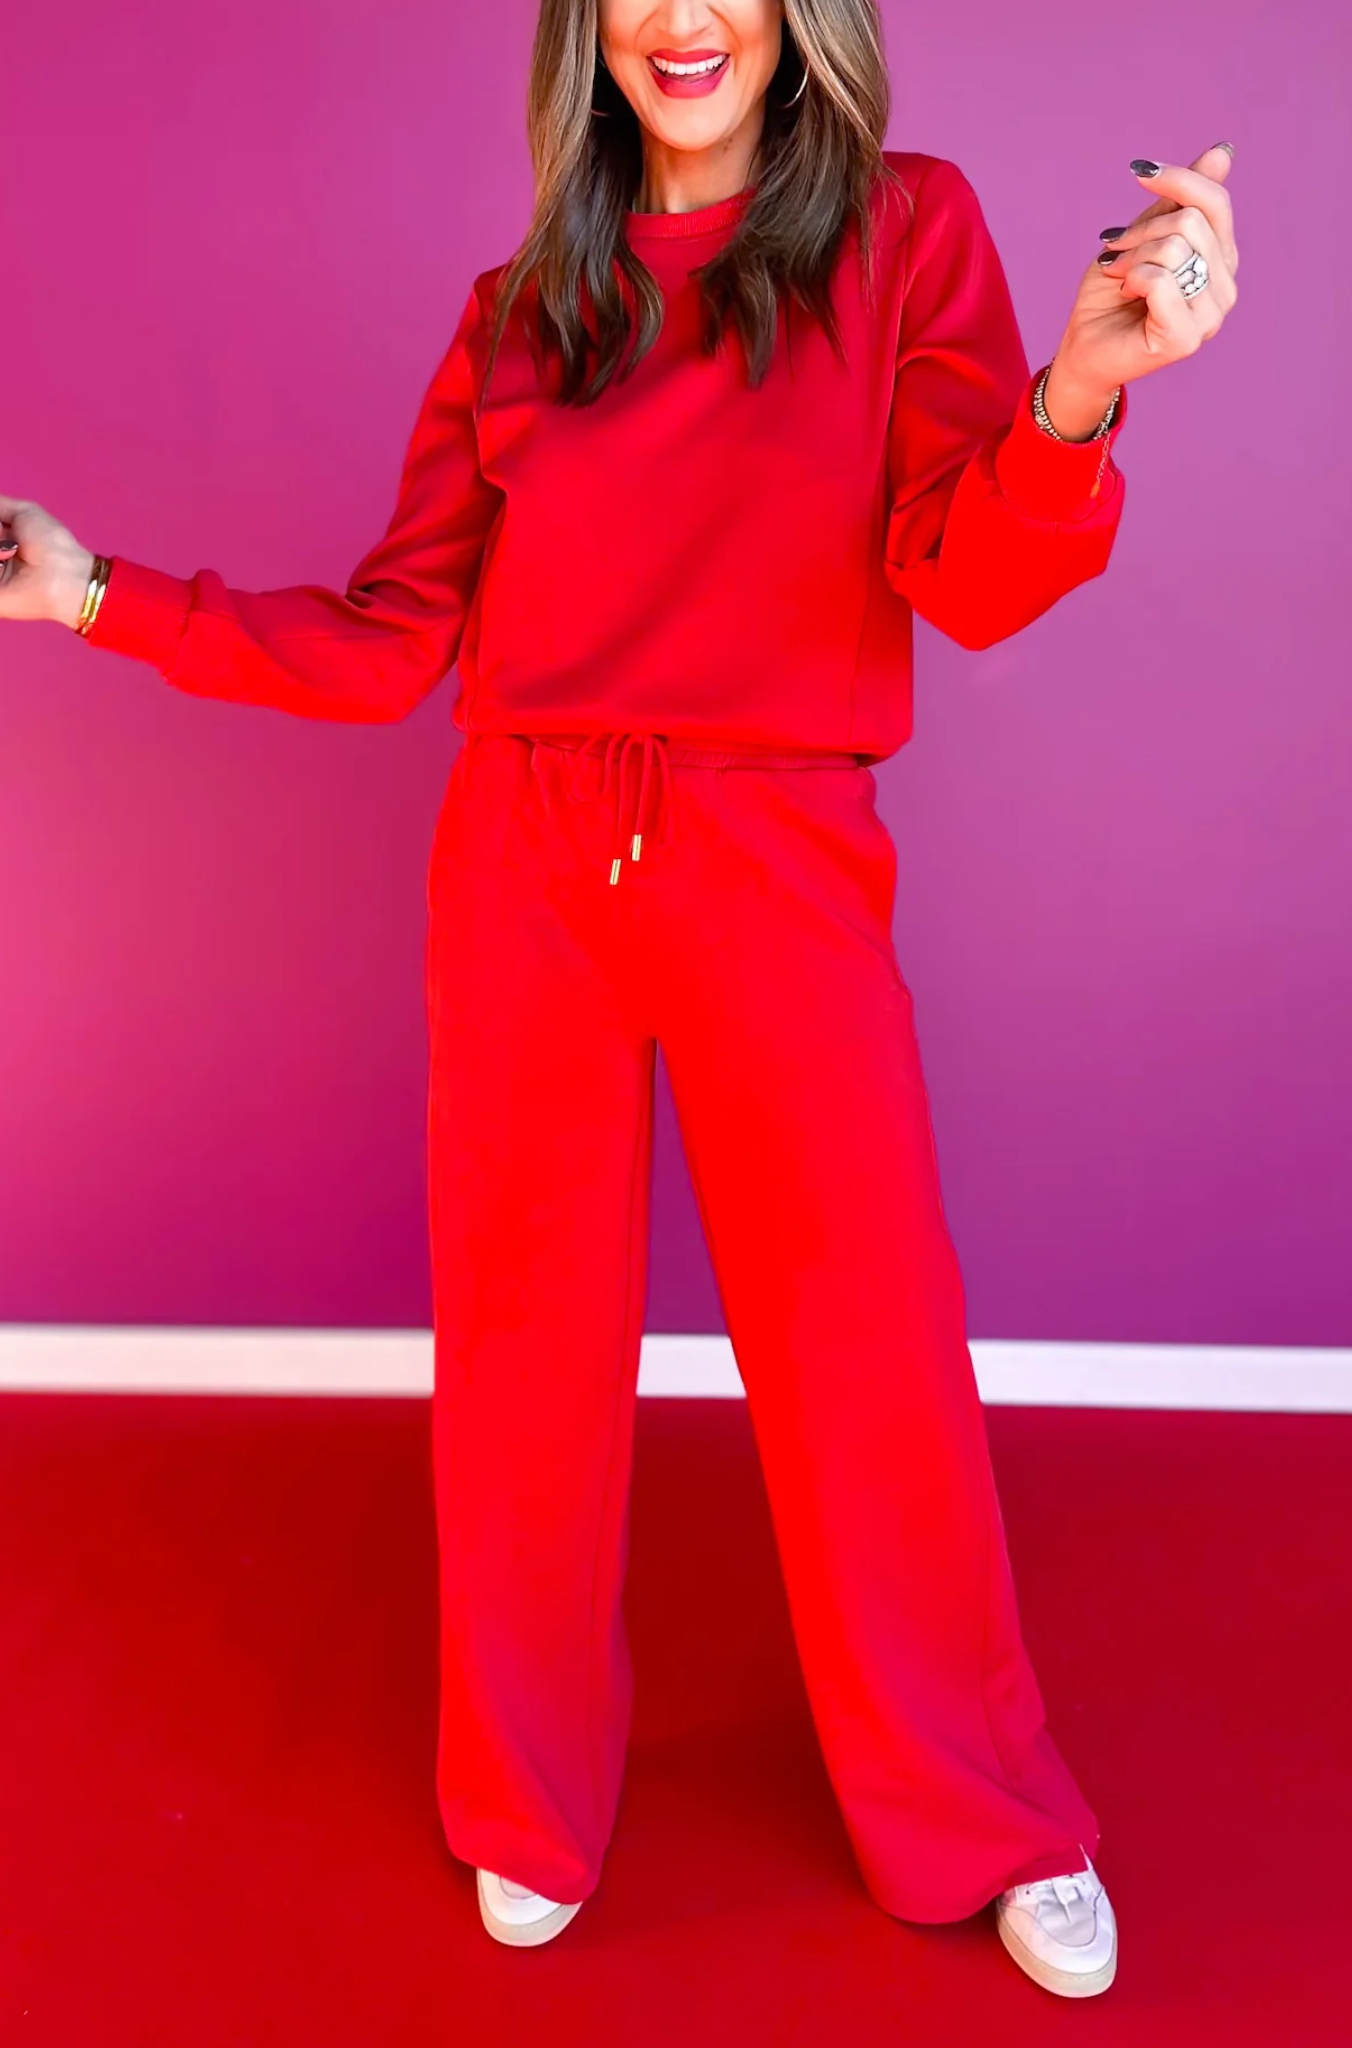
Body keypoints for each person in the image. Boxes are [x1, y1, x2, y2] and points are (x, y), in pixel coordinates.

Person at [0, 0, 1239, 2002]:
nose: (682, 17)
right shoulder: (521, 311)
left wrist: (1083, 386)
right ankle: (526, 1796)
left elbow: (969, 574)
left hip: (774, 844)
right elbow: (392, 638)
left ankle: (983, 1810)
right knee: (523, 1357)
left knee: (869, 1354)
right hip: (527, 856)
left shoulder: (904, 230)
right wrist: (90, 592)